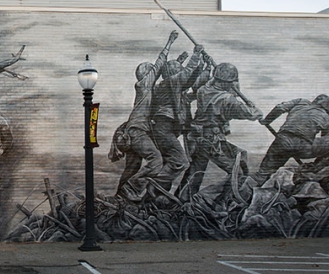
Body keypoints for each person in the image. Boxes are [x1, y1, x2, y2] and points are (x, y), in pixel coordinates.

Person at [177, 63, 264, 199]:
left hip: (199, 137)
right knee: (238, 172)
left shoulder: (203, 91)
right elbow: (251, 114)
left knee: (197, 171)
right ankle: (217, 201)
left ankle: (182, 199)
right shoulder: (227, 100)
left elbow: (215, 86)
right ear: (228, 83)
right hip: (212, 140)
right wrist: (254, 108)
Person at [111, 30, 178, 201]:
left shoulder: (145, 89)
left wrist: (180, 61)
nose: (155, 73)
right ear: (147, 74)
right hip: (137, 132)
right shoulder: (144, 85)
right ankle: (131, 189)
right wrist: (170, 42)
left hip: (132, 132)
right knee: (156, 160)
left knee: (132, 167)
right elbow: (159, 64)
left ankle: (119, 198)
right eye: (152, 71)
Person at [149, 44, 204, 191]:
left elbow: (188, 82)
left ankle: (157, 196)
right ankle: (153, 184)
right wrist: (196, 55)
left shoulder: (169, 87)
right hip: (164, 128)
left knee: (170, 161)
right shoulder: (171, 82)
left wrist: (202, 67)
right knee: (181, 162)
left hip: (166, 129)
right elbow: (186, 74)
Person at [253, 94, 329, 183]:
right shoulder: (326, 117)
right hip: (303, 148)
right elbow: (327, 138)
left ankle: (255, 184)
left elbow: (280, 108)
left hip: (282, 142)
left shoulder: (300, 102)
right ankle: (318, 168)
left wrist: (266, 121)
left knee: (263, 174)